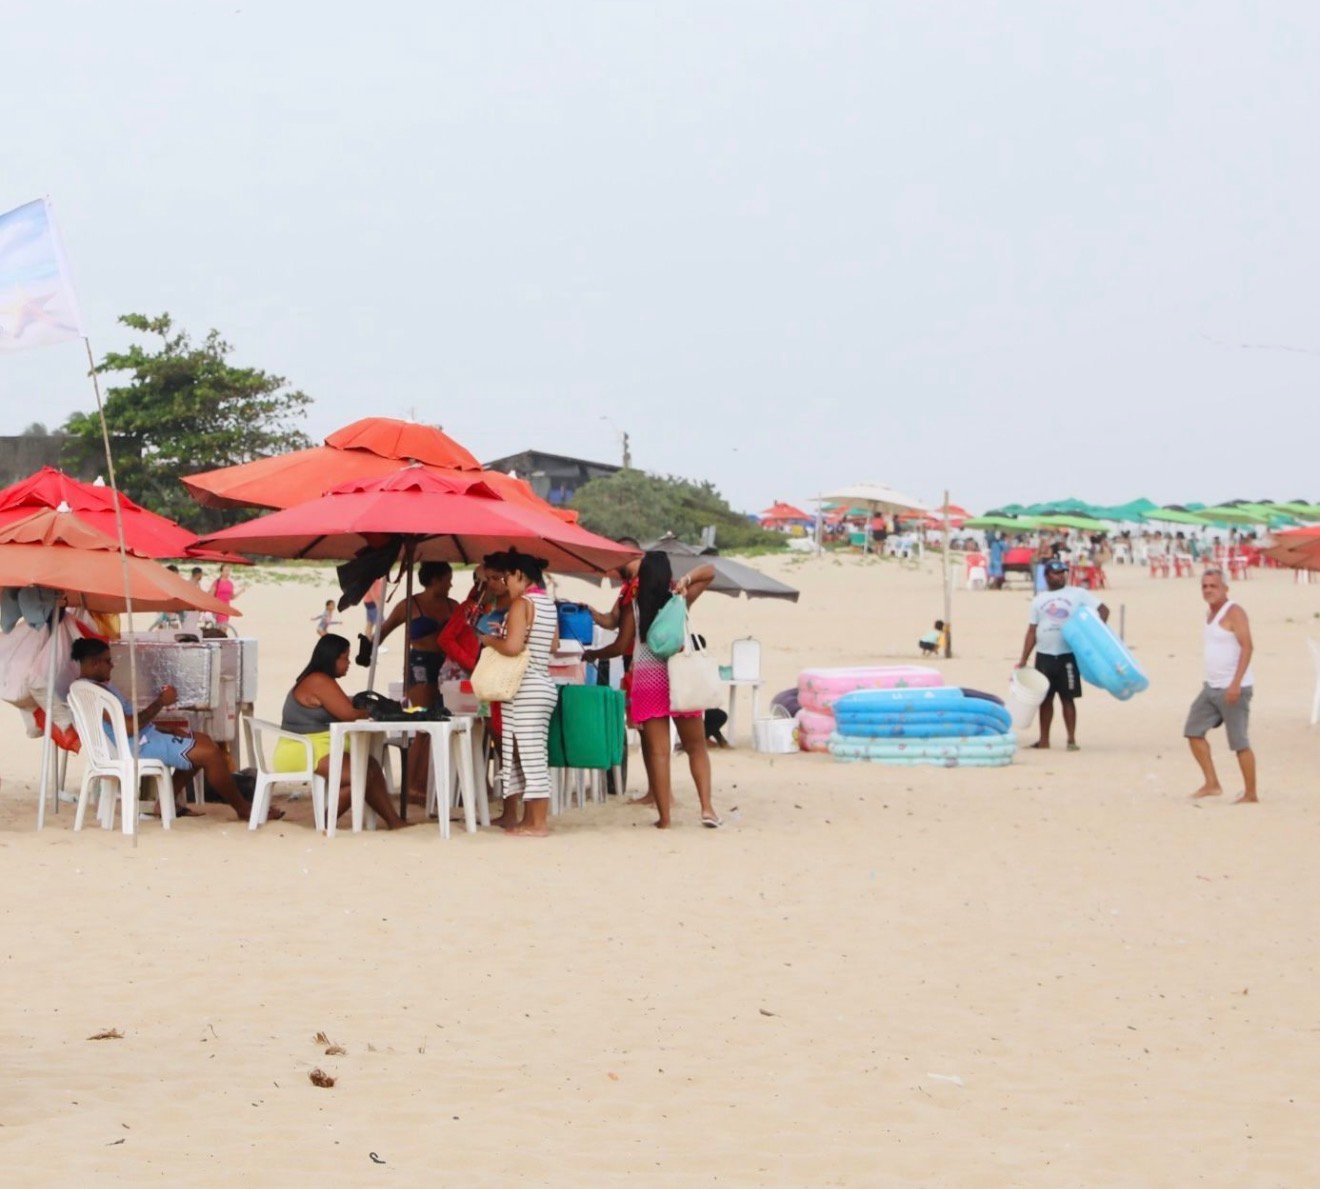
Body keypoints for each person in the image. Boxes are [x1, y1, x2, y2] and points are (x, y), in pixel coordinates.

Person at [71, 637, 267, 821]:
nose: (112, 665)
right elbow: (130, 728)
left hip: (139, 739)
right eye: (108, 661)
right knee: (209, 754)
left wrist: (167, 730)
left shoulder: (89, 687)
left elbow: (129, 724)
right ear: (94, 663)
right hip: (134, 747)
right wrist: (160, 702)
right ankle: (243, 808)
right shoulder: (95, 693)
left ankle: (166, 802)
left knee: (204, 741)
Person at [616, 552, 720, 829]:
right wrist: (686, 580)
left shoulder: (634, 607)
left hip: (649, 683)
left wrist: (593, 654)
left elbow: (621, 644)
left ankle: (665, 818)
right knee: (696, 747)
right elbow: (709, 571)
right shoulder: (679, 600)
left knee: (658, 753)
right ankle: (707, 809)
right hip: (680, 678)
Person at [274, 634, 409, 828]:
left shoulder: (320, 679)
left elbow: (343, 704)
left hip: (318, 746)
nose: (348, 663)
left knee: (370, 766)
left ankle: (394, 821)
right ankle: (325, 822)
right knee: (360, 774)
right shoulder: (318, 680)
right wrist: (376, 710)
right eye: (344, 657)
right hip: (303, 750)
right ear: (332, 657)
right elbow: (348, 713)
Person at [476, 551, 558, 837]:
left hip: (526, 688)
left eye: (507, 576)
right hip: (543, 683)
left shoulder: (522, 603)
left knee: (529, 755)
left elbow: (512, 648)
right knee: (534, 753)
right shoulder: (547, 603)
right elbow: (552, 644)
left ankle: (537, 823)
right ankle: (531, 820)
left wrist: (490, 640)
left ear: (520, 576)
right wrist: (514, 636)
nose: (505, 582)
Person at [378, 561, 460, 799]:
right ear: (435, 579)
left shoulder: (452, 606)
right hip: (420, 665)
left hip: (447, 666)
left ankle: (427, 781)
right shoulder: (410, 605)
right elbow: (384, 630)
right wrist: (368, 651)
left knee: (441, 723)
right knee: (422, 724)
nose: (451, 583)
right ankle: (411, 783)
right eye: (447, 578)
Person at [1017, 559, 1109, 750]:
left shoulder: (1078, 594)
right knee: (1045, 699)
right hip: (1044, 655)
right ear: (1047, 576)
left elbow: (1103, 610)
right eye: (1056, 573)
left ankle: (1071, 740)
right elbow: (1032, 630)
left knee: (1068, 698)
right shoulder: (1038, 600)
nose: (1060, 577)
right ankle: (1044, 740)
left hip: (1068, 655)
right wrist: (1024, 658)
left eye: (1063, 573)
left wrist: (1094, 634)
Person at [1186, 568, 1257, 803]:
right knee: (1193, 731)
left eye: (1213, 586)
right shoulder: (1210, 614)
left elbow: (1247, 647)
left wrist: (1236, 684)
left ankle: (1250, 793)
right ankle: (1212, 783)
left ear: (1225, 588)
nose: (1208, 590)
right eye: (1204, 586)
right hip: (1211, 686)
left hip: (1233, 687)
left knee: (1239, 742)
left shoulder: (1234, 612)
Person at [209, 563, 243, 628]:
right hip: (217, 609)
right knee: (219, 630)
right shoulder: (216, 582)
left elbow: (232, 597)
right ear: (221, 572)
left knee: (223, 630)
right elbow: (211, 596)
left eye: (229, 571)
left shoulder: (230, 583)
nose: (227, 572)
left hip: (226, 609)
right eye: (226, 570)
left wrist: (240, 591)